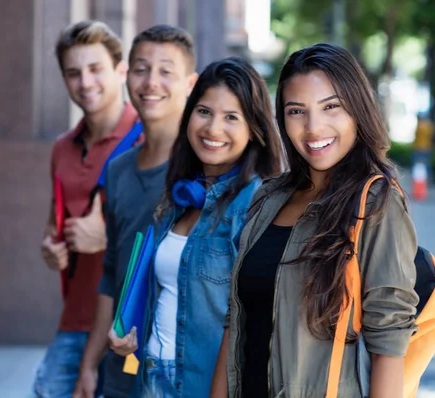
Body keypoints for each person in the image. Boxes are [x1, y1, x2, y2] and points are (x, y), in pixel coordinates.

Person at [211, 43, 419, 397]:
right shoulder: (269, 197)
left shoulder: (376, 202)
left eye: (331, 107)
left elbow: (390, 338)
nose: (313, 127)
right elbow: (237, 321)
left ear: (357, 109)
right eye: (296, 111)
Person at [109, 56, 284, 398]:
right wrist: (132, 334)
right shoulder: (178, 198)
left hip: (203, 387)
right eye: (204, 111)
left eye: (231, 117)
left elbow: (258, 321)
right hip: (149, 377)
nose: (213, 129)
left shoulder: (254, 204)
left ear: (254, 130)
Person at [73, 25, 199, 398]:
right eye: (142, 68)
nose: (151, 82)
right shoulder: (117, 169)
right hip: (121, 370)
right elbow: (112, 274)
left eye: (166, 71)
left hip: (180, 374)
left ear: (190, 83)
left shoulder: (204, 172)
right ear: (127, 75)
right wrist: (89, 363)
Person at [36, 20, 140, 398]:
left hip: (127, 326)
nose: (85, 82)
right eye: (73, 73)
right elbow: (56, 224)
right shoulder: (62, 147)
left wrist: (105, 237)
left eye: (95, 69)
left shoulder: (148, 139)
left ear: (120, 70)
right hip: (74, 317)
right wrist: (52, 249)